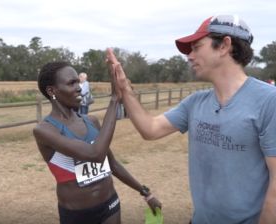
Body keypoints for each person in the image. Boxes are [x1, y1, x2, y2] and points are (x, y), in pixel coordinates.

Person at [107, 14, 276, 224]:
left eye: (196, 47)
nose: (190, 56)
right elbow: (150, 129)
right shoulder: (196, 102)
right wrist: (124, 88)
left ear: (224, 45)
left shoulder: (269, 101)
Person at [33, 61, 162, 224]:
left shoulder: (91, 121)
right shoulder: (45, 130)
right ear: (52, 90)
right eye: (71, 83)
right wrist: (114, 99)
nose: (79, 87)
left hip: (110, 204)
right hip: (77, 214)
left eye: (78, 82)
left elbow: (112, 164)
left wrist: (146, 193)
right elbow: (95, 154)